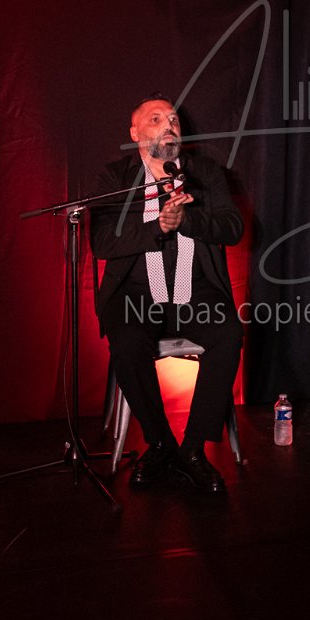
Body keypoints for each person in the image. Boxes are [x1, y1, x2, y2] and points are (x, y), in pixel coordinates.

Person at [90, 97, 243, 495]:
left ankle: (192, 450)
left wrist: (187, 219)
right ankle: (159, 443)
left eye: (173, 119)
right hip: (136, 296)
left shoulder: (205, 174)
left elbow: (232, 228)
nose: (169, 125)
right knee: (127, 343)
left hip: (195, 293)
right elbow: (103, 242)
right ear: (135, 133)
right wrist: (157, 226)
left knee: (228, 333)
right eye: (156, 119)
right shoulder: (116, 178)